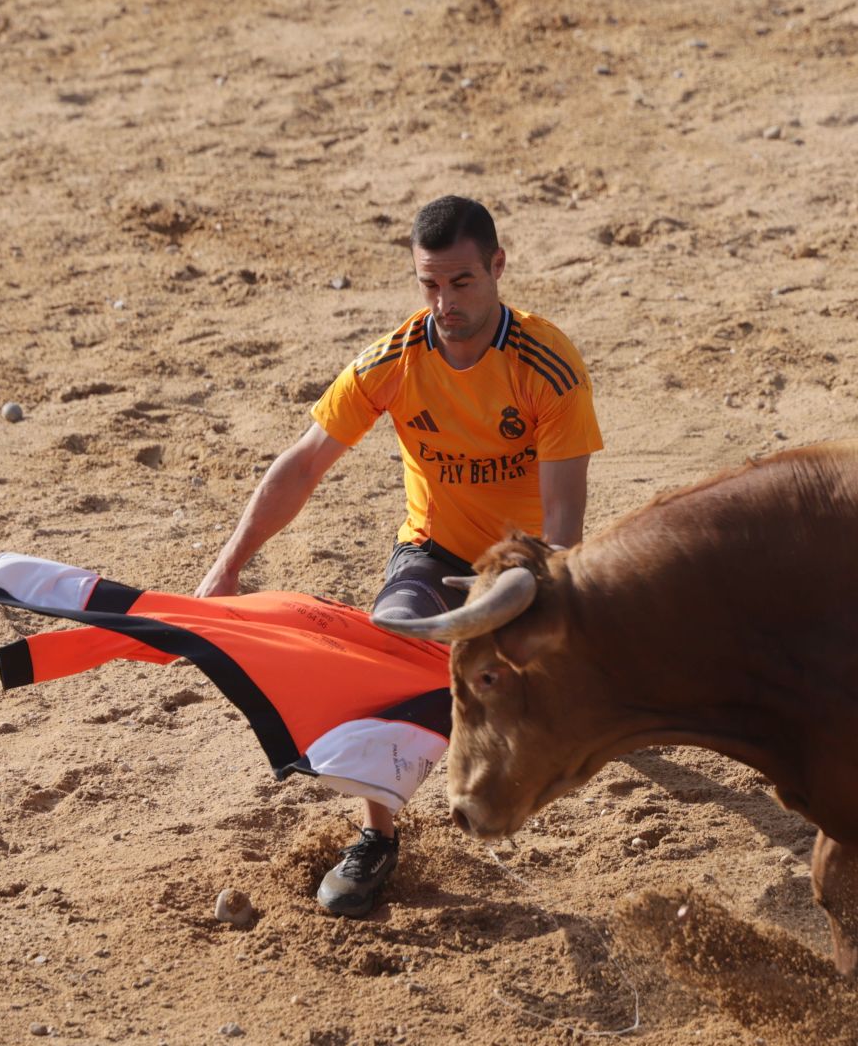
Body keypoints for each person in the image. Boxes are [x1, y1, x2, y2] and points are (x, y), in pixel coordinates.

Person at [195, 195, 602, 916]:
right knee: (384, 650)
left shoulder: (548, 366)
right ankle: (376, 836)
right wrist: (228, 566)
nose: (445, 303)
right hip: (431, 548)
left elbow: (565, 519)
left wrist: (533, 594)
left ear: (498, 266)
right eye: (429, 284)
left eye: (462, 282)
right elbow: (304, 464)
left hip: (522, 561)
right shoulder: (395, 359)